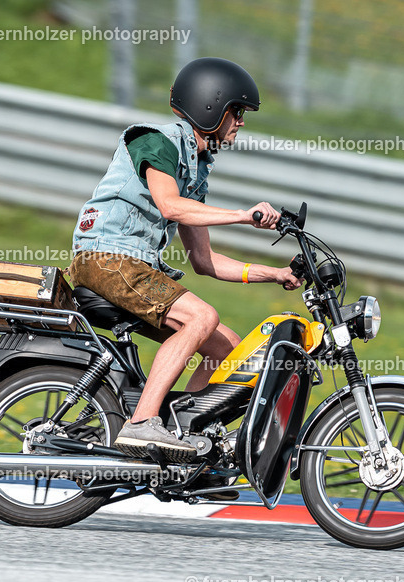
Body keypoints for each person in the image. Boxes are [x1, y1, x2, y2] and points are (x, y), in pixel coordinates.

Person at [68, 57, 300, 459]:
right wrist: (243, 215)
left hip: (131, 266)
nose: (241, 122)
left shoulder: (195, 169)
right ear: (210, 106)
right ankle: (142, 423)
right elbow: (170, 206)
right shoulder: (155, 141)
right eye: (237, 111)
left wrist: (275, 273)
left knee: (228, 347)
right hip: (106, 258)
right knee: (201, 316)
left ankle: (181, 435)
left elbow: (204, 261)